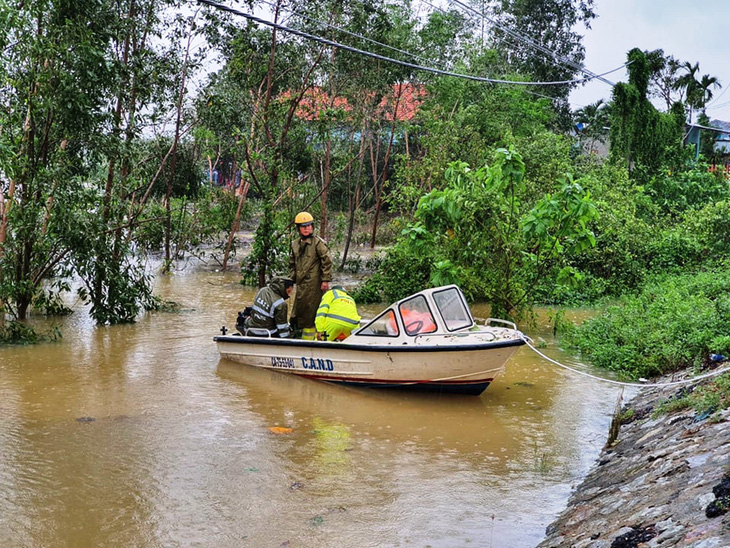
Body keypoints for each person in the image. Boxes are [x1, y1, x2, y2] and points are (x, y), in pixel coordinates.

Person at [289, 211, 333, 340]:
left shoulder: (318, 243)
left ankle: (312, 339)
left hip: (314, 284)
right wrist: (291, 281)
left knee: (312, 311)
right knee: (298, 311)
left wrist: (325, 280)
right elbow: (292, 263)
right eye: (303, 226)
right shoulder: (295, 244)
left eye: (309, 226)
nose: (307, 228)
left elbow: (327, 261)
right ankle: (297, 335)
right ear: (298, 228)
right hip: (301, 284)